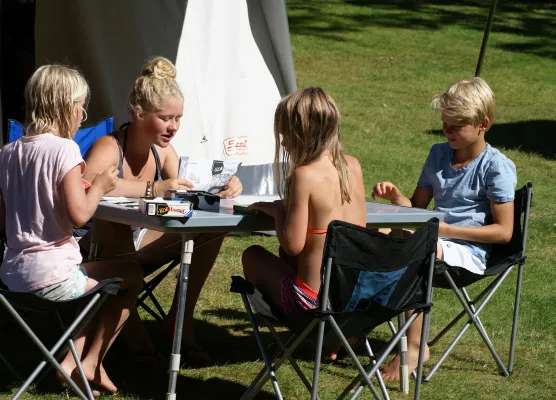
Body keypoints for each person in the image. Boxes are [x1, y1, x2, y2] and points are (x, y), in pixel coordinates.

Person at [0, 64, 145, 394]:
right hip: (53, 279)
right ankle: (85, 361)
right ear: (65, 107)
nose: (82, 114)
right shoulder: (64, 150)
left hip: (12, 277)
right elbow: (79, 216)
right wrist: (100, 186)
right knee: (131, 274)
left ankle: (83, 361)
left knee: (102, 269)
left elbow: (2, 219)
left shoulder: (6, 154)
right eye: (81, 106)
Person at [81, 56, 243, 361]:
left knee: (212, 229)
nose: (174, 127)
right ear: (138, 113)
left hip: (140, 240)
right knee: (114, 226)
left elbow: (185, 192)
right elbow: (86, 186)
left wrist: (225, 187)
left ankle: (178, 320)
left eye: (178, 118)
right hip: (96, 246)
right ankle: (133, 332)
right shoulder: (109, 147)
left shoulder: (162, 151)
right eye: (165, 118)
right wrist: (152, 189)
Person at [372, 77, 517, 380]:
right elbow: (416, 209)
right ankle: (351, 324)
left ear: (483, 124)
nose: (447, 132)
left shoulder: (495, 166)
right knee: (375, 236)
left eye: (456, 126)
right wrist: (397, 199)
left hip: (469, 253)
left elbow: (503, 232)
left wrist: (446, 230)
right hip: (433, 238)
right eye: (444, 125)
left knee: (409, 248)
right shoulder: (438, 154)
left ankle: (415, 346)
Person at [241, 87, 366, 323]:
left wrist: (278, 209)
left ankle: (319, 335)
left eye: (285, 135)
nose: (284, 143)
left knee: (252, 255)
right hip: (352, 302)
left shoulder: (304, 176)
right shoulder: (353, 166)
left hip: (312, 305)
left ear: (301, 133)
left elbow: (292, 245)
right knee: (286, 259)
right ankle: (338, 339)